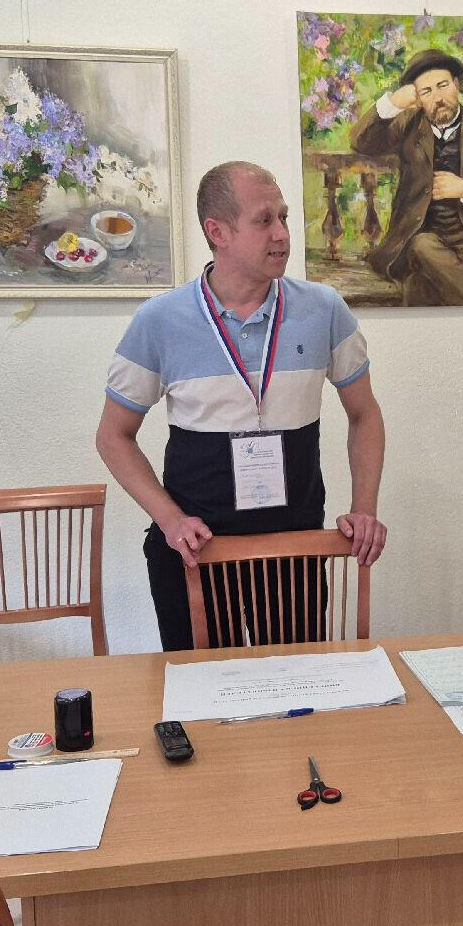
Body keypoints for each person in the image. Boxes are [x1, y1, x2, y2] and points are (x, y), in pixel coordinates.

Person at [96, 161, 386, 650]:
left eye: (284, 217)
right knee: (202, 690)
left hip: (292, 552)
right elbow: (112, 436)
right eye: (264, 220)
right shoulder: (159, 320)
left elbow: (365, 414)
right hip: (196, 554)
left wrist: (364, 509)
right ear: (218, 232)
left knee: (296, 687)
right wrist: (170, 520)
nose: (282, 234)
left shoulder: (324, 310)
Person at [352, 49, 463, 305]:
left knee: (418, 286)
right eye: (426, 91)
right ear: (417, 99)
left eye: (443, 86)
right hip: (415, 238)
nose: (438, 98)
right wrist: (393, 103)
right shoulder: (410, 126)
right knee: (422, 245)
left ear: (457, 84)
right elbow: (361, 142)